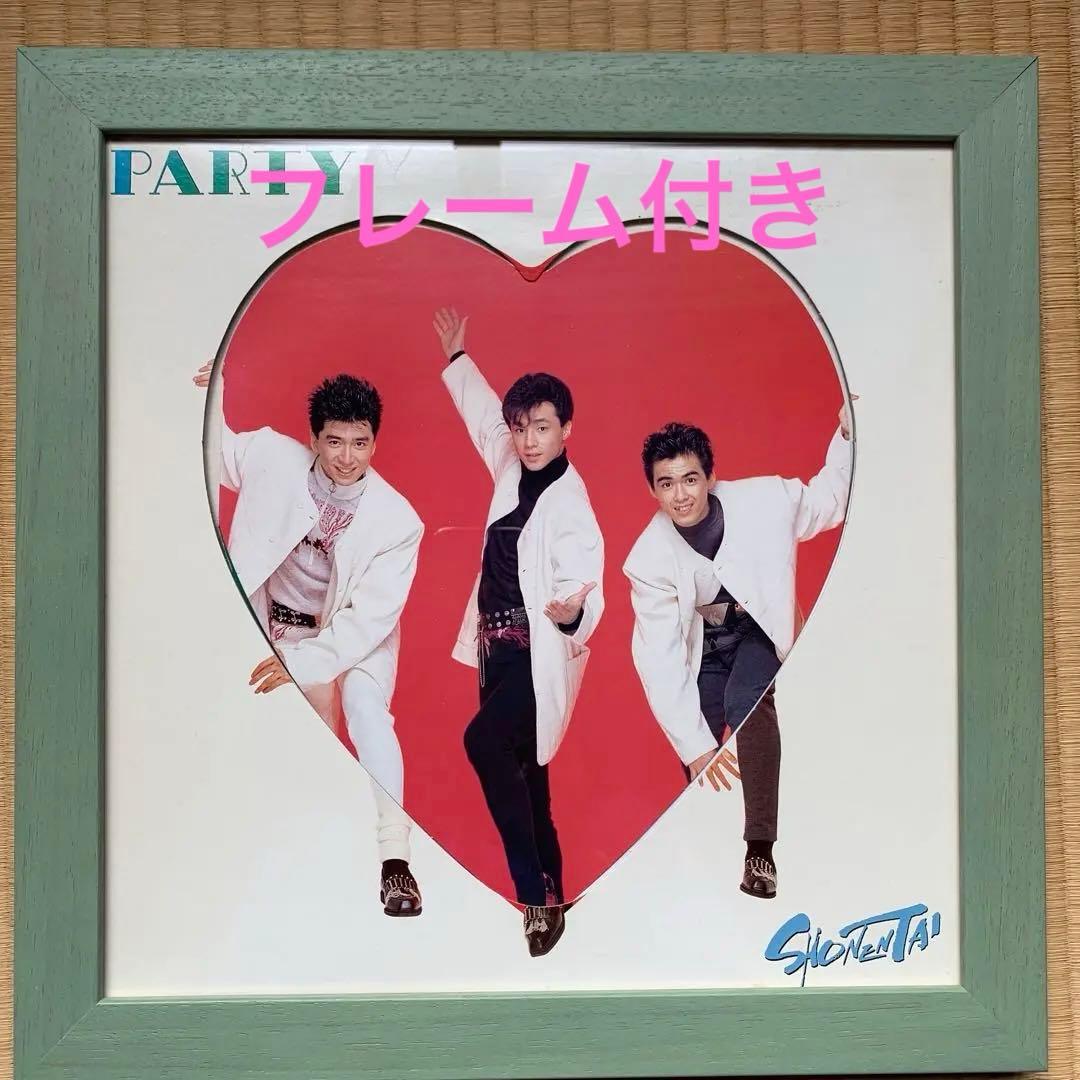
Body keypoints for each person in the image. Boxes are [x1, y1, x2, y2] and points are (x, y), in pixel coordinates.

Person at [194, 361, 425, 916]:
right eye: (335, 441)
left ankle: (395, 861)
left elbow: (368, 620)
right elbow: (212, 453)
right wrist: (213, 390)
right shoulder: (273, 456)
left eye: (360, 443)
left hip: (351, 636)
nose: (347, 457)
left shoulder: (399, 521)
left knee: (365, 709)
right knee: (273, 745)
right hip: (272, 624)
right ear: (314, 438)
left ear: (375, 442)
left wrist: (305, 665)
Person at [623, 403, 853, 899]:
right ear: (652, 491)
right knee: (699, 736)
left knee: (745, 700)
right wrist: (697, 748)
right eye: (666, 484)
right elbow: (659, 657)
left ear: (710, 477)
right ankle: (694, 856)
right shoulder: (647, 559)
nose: (680, 495)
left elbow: (829, 500)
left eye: (690, 479)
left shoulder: (766, 500)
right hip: (705, 645)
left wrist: (845, 435)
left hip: (758, 632)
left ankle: (760, 852)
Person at [432, 307, 605, 957]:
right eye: (522, 427)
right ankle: (552, 900)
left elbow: (588, 583)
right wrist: (457, 360)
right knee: (530, 784)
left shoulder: (571, 504)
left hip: (535, 658)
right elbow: (483, 417)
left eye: (542, 427)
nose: (528, 440)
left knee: (482, 742)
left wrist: (572, 613)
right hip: (493, 654)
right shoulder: (509, 462)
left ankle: (531, 893)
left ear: (566, 430)